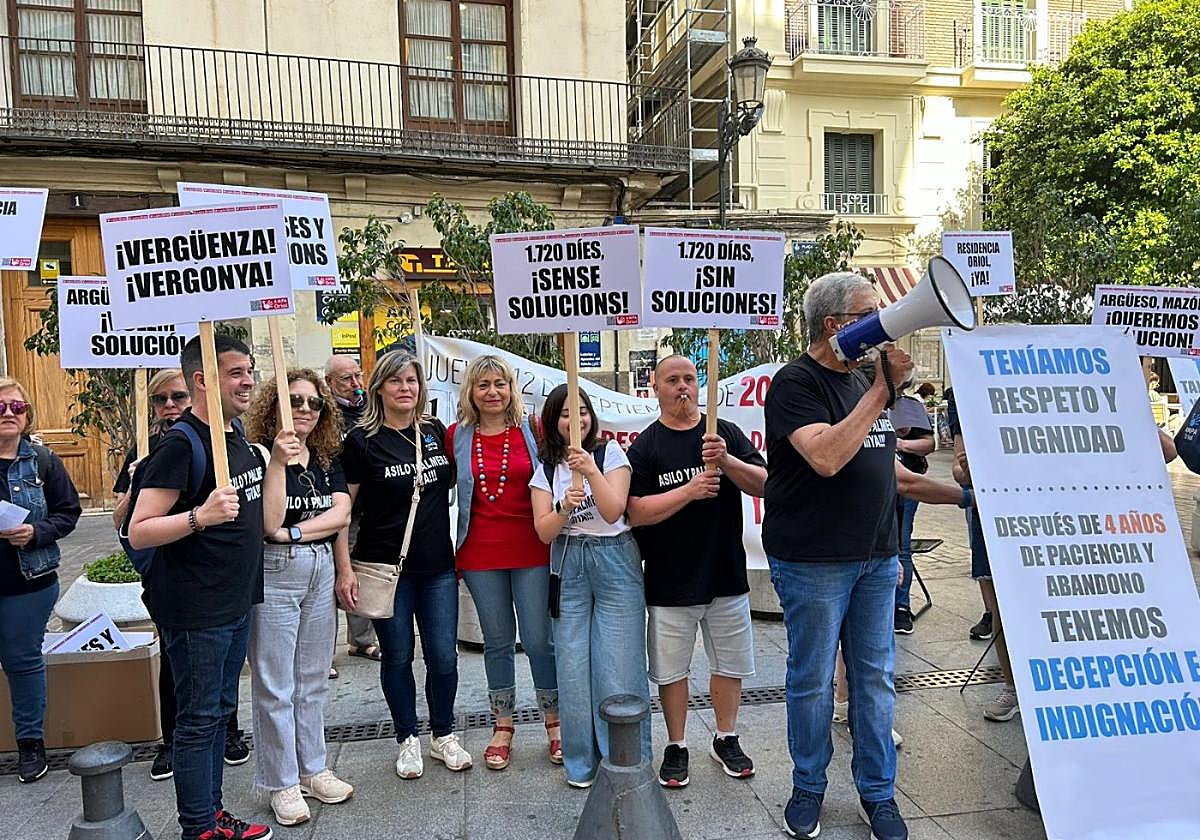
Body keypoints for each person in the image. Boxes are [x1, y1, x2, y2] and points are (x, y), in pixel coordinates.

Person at [764, 272, 974, 840]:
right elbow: (828, 458)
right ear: (835, 326)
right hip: (812, 560)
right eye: (869, 315)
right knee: (811, 680)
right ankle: (808, 787)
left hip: (876, 559)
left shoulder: (863, 383)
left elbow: (891, 474)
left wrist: (971, 499)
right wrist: (884, 391)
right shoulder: (795, 384)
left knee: (876, 680)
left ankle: (878, 793)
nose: (884, 325)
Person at [128, 335, 283, 840]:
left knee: (217, 714)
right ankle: (198, 827)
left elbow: (264, 523)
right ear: (202, 380)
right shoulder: (181, 443)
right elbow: (139, 528)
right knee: (197, 721)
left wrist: (278, 462)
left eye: (249, 369)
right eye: (236, 371)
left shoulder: (236, 440)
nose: (248, 380)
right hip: (196, 609)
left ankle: (211, 814)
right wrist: (200, 516)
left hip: (234, 601)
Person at [626, 355, 767, 789]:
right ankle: (677, 743)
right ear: (655, 387)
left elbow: (765, 483)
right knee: (672, 669)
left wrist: (727, 462)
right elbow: (634, 512)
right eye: (673, 380)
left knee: (729, 664)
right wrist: (688, 491)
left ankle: (726, 737)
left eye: (689, 378)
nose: (683, 387)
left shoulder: (722, 434)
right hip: (671, 578)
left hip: (725, 571)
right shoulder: (645, 446)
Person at [336, 350, 472, 780]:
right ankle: (406, 738)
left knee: (443, 658)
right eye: (396, 381)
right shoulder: (361, 440)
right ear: (379, 388)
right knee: (397, 655)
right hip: (384, 568)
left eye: (412, 380)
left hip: (437, 568)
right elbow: (343, 511)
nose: (405, 388)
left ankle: (443, 735)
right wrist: (345, 568)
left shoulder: (433, 431)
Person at [112, 368, 248, 782]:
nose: (169, 405)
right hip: (177, 581)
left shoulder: (228, 436)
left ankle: (226, 732)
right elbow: (126, 525)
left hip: (221, 584)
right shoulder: (154, 449)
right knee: (181, 668)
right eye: (160, 400)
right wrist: (138, 486)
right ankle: (174, 746)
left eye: (177, 396)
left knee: (217, 676)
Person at [244, 370, 353, 826]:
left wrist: (297, 533)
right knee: (275, 681)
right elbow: (265, 522)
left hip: (318, 564)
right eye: (295, 401)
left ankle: (313, 767)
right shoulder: (257, 455)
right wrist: (276, 464)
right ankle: (280, 781)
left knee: (312, 677)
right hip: (275, 573)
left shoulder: (326, 456)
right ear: (275, 406)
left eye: (314, 403)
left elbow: (343, 510)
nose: (306, 409)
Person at [530, 384, 650, 789]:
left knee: (619, 663)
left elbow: (615, 509)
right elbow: (545, 533)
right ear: (553, 420)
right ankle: (580, 762)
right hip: (568, 561)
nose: (575, 419)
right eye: (566, 413)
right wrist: (564, 505)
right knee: (572, 663)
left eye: (581, 411)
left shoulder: (610, 453)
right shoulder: (545, 469)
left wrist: (591, 471)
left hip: (615, 558)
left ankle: (626, 755)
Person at [447, 355, 559, 771]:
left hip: (532, 548)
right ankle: (503, 724)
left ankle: (554, 720)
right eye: (483, 385)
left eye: (500, 384)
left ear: (512, 389)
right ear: (471, 392)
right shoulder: (456, 436)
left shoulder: (532, 430)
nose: (492, 392)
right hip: (478, 552)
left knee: (538, 639)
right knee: (496, 641)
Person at [0, 377, 81, 784]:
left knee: (22, 660)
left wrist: (36, 532)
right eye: (0, 408)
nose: (9, 415)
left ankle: (30, 743)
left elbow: (68, 512)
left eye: (17, 407)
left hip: (28, 580)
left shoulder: (43, 461)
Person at [323, 355, 380, 667]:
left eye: (358, 376)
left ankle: (361, 641)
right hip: (331, 506)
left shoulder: (370, 409)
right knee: (330, 577)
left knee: (359, 573)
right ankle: (323, 653)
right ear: (330, 383)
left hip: (365, 507)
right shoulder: (324, 412)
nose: (356, 384)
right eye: (347, 379)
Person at [889, 390, 934, 635]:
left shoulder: (909, 405)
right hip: (872, 485)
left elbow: (929, 443)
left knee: (902, 544)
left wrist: (901, 443)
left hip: (906, 484)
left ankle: (901, 606)